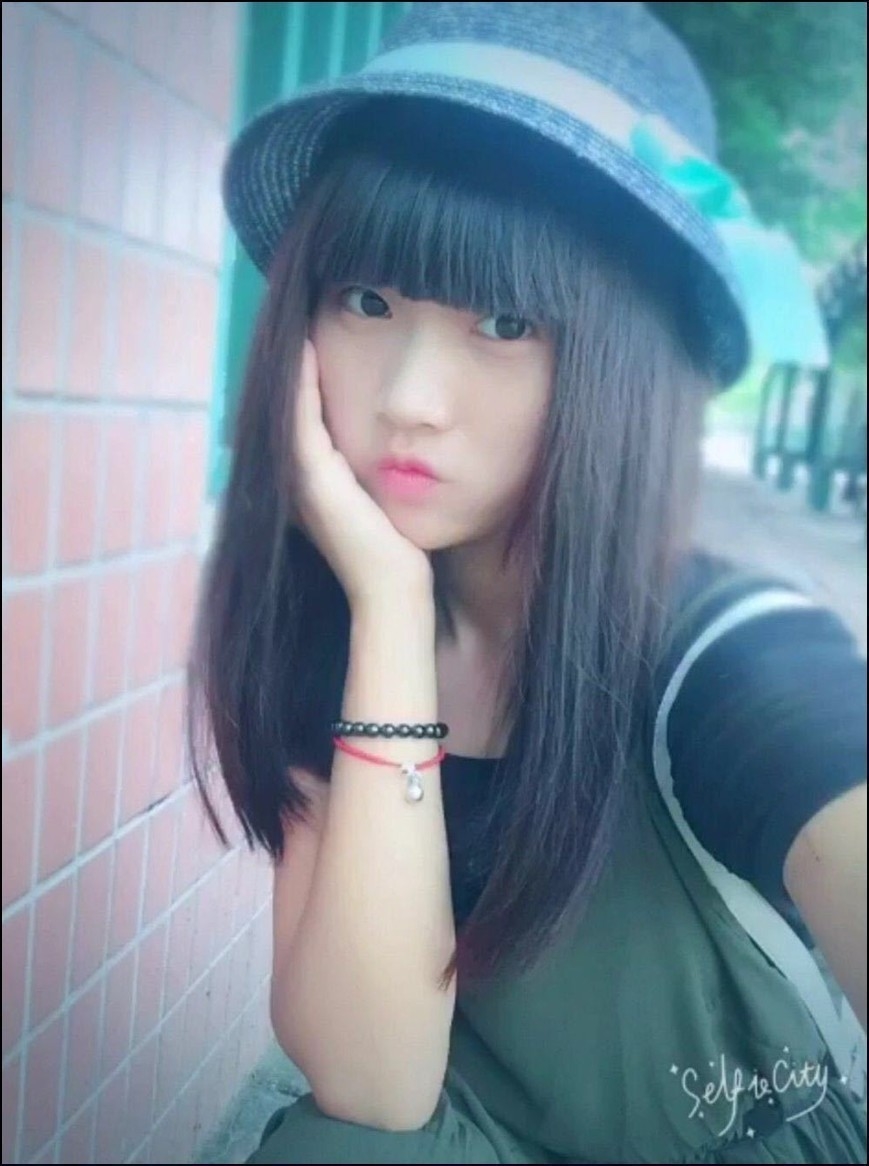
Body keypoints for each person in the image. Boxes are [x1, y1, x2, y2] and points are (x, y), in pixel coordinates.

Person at [187, 3, 868, 1162]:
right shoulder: (336, 607)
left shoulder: (736, 661)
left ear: (626, 362)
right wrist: (388, 612)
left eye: (503, 322)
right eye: (367, 302)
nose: (408, 397)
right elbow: (370, 1082)